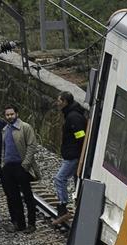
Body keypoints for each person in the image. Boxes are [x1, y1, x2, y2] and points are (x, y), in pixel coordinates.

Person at [0, 105, 41, 232]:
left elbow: (32, 145)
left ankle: (31, 224)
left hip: (21, 166)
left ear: (16, 114)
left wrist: (26, 164)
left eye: (11, 114)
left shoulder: (25, 127)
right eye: (7, 115)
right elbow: (3, 148)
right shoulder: (5, 129)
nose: (9, 117)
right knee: (13, 196)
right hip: (8, 167)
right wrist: (3, 164)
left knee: (27, 196)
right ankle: (20, 223)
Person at [54, 91, 87, 223]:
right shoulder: (71, 114)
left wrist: (77, 154)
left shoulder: (73, 117)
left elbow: (80, 136)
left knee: (59, 178)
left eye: (59, 101)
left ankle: (63, 208)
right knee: (77, 181)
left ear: (65, 102)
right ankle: (80, 209)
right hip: (73, 154)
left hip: (73, 156)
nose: (57, 103)